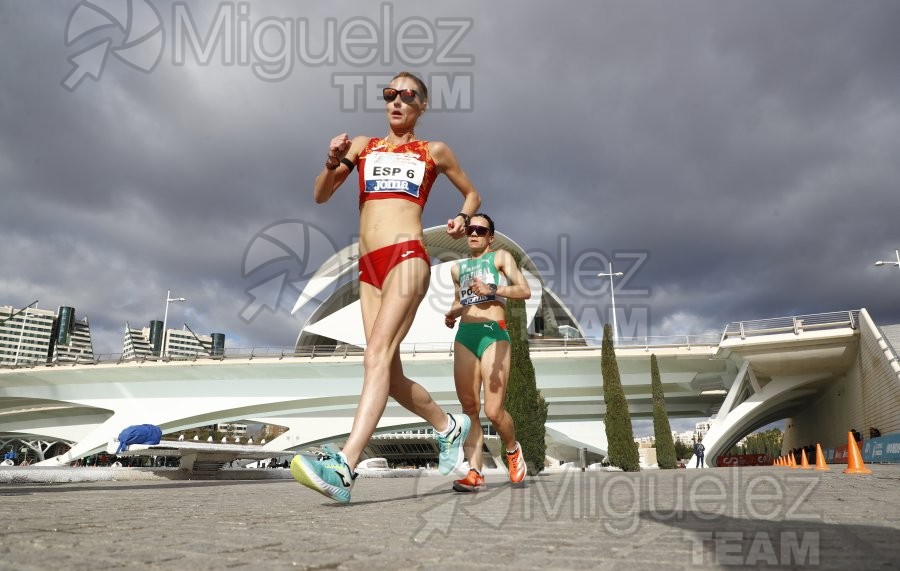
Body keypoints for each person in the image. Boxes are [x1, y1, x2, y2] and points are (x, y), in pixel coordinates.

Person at [291, 71, 481, 504]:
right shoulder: (363, 146)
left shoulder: (433, 150)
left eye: (407, 95)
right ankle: (447, 427)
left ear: (423, 105)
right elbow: (321, 195)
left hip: (408, 256)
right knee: (388, 374)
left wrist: (463, 219)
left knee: (375, 355)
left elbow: (472, 195)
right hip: (368, 267)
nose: (396, 101)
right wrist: (330, 160)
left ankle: (344, 466)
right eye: (390, 94)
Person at [443, 214, 531, 492]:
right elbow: (460, 302)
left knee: (494, 411)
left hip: (494, 332)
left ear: (490, 237)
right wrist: (452, 314)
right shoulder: (457, 269)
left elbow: (524, 290)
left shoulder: (500, 258)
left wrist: (492, 288)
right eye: (470, 229)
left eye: (481, 230)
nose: (474, 233)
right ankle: (474, 472)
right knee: (470, 409)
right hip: (466, 336)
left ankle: (512, 449)